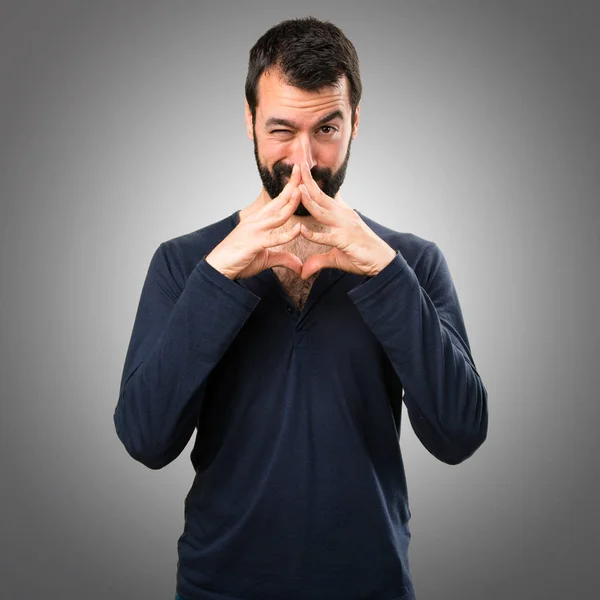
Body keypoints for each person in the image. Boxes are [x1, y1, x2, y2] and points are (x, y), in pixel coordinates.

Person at [113, 16, 488, 600]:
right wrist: (219, 276)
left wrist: (387, 275)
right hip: (220, 588)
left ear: (356, 123)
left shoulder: (412, 262)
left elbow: (459, 435)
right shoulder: (183, 262)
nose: (305, 161)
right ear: (249, 121)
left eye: (327, 129)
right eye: (282, 130)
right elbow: (145, 439)